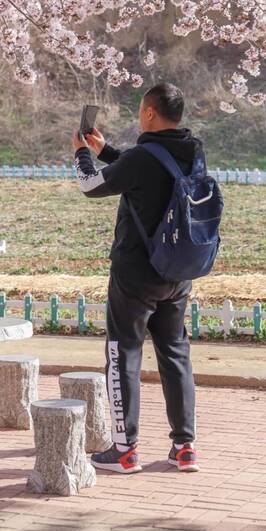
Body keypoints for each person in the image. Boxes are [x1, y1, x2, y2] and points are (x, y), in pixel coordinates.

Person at [72, 82, 201, 474]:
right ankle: (184, 447)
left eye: (140, 110)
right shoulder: (193, 150)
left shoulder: (143, 157)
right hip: (178, 271)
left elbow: (90, 185)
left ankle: (125, 449)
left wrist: (81, 152)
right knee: (175, 353)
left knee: (123, 352)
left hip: (135, 275)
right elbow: (149, 170)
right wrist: (107, 151)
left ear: (149, 114)